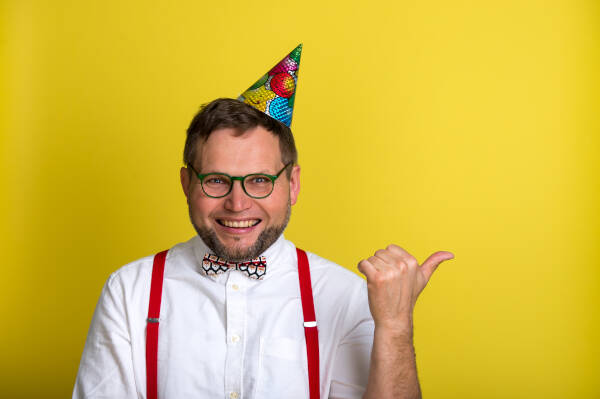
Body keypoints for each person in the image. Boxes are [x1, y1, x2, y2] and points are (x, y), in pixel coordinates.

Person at [73, 47, 453, 399]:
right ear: (187, 184)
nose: (238, 204)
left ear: (293, 184)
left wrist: (396, 325)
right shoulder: (129, 293)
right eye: (217, 180)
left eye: (259, 180)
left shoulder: (347, 297)